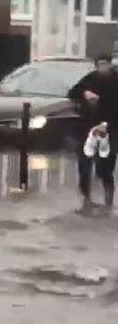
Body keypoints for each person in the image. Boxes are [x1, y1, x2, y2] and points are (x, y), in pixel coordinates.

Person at [67, 54, 118, 213]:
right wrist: (85, 93)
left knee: (105, 165)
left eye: (105, 65)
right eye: (100, 65)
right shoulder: (90, 79)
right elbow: (72, 92)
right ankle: (86, 199)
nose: (103, 68)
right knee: (84, 164)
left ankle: (108, 201)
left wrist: (107, 125)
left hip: (110, 128)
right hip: (87, 128)